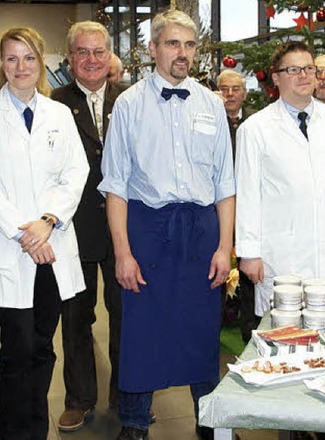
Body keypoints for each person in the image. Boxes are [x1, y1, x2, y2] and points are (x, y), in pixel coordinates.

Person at [98, 10, 235, 440]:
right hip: (147, 229)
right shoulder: (128, 103)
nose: (182, 53)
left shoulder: (212, 103)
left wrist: (224, 247)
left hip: (200, 230)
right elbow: (116, 185)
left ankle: (208, 421)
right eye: (173, 44)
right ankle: (135, 423)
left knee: (202, 327)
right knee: (142, 328)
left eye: (189, 45)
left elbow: (225, 184)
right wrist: (122, 252)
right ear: (153, 48)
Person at [235, 41, 325, 318]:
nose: (305, 75)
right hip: (284, 251)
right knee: (286, 331)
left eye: (309, 68)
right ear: (276, 77)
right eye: (293, 69)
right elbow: (247, 195)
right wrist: (248, 252)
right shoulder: (255, 129)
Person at [0, 26, 89, 440]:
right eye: (12, 58)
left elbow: (77, 172)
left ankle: (35, 430)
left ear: (41, 63)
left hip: (51, 246)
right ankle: (14, 429)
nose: (21, 67)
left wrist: (48, 222)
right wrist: (24, 234)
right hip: (11, 251)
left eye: (29, 58)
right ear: (2, 64)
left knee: (42, 347)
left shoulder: (58, 114)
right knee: (14, 351)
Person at [50, 21, 128, 432]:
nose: (92, 60)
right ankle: (78, 399)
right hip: (73, 228)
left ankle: (126, 393)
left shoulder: (130, 98)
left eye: (99, 51)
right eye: (82, 52)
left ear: (110, 55)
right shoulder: (54, 103)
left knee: (124, 314)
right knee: (76, 317)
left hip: (123, 229)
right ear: (70, 58)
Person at [216, 69, 258, 343]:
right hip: (216, 209)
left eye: (235, 89)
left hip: (249, 207)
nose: (229, 94)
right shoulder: (209, 120)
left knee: (249, 268)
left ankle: (250, 330)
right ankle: (214, 328)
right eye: (224, 89)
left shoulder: (257, 123)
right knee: (217, 267)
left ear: (244, 94)